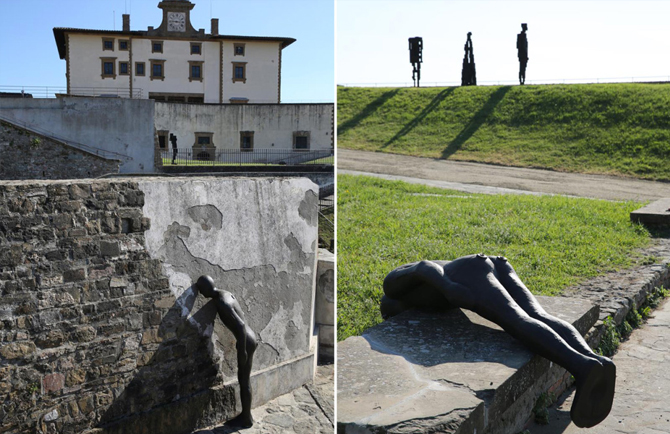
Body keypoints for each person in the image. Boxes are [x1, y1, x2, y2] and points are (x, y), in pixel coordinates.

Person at [381, 254, 615, 428]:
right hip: (492, 264)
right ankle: (596, 360)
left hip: (470, 273)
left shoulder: (392, 290)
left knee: (516, 319)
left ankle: (582, 367)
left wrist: (450, 288)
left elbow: (423, 267)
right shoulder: (423, 298)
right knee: (539, 315)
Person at [194, 275, 257, 428]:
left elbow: (241, 325)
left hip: (246, 342)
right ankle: (246, 415)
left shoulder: (222, 302)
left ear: (207, 288)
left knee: (244, 379)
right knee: (243, 379)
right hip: (249, 338)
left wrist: (242, 351)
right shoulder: (224, 293)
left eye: (202, 291)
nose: (201, 294)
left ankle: (246, 418)